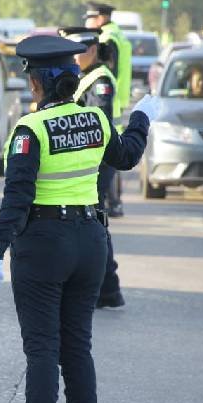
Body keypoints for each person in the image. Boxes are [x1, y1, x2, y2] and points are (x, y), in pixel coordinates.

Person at [0, 35, 159, 403]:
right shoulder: (96, 119)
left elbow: (17, 198)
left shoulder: (31, 130)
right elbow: (128, 156)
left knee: (42, 349)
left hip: (44, 244)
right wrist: (141, 119)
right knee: (77, 348)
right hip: (91, 241)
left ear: (36, 84)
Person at [60, 26, 125, 308]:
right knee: (94, 223)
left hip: (99, 162)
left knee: (94, 225)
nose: (73, 58)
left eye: (77, 52)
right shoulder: (85, 76)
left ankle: (106, 289)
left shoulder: (100, 81)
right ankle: (107, 289)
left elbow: (97, 122)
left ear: (93, 50)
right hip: (91, 162)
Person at [84, 1, 130, 218]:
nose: (88, 23)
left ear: (101, 18)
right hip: (116, 100)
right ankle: (114, 202)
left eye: (90, 18)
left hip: (106, 100)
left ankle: (113, 202)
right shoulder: (118, 35)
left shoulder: (106, 38)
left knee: (107, 159)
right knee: (112, 157)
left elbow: (108, 70)